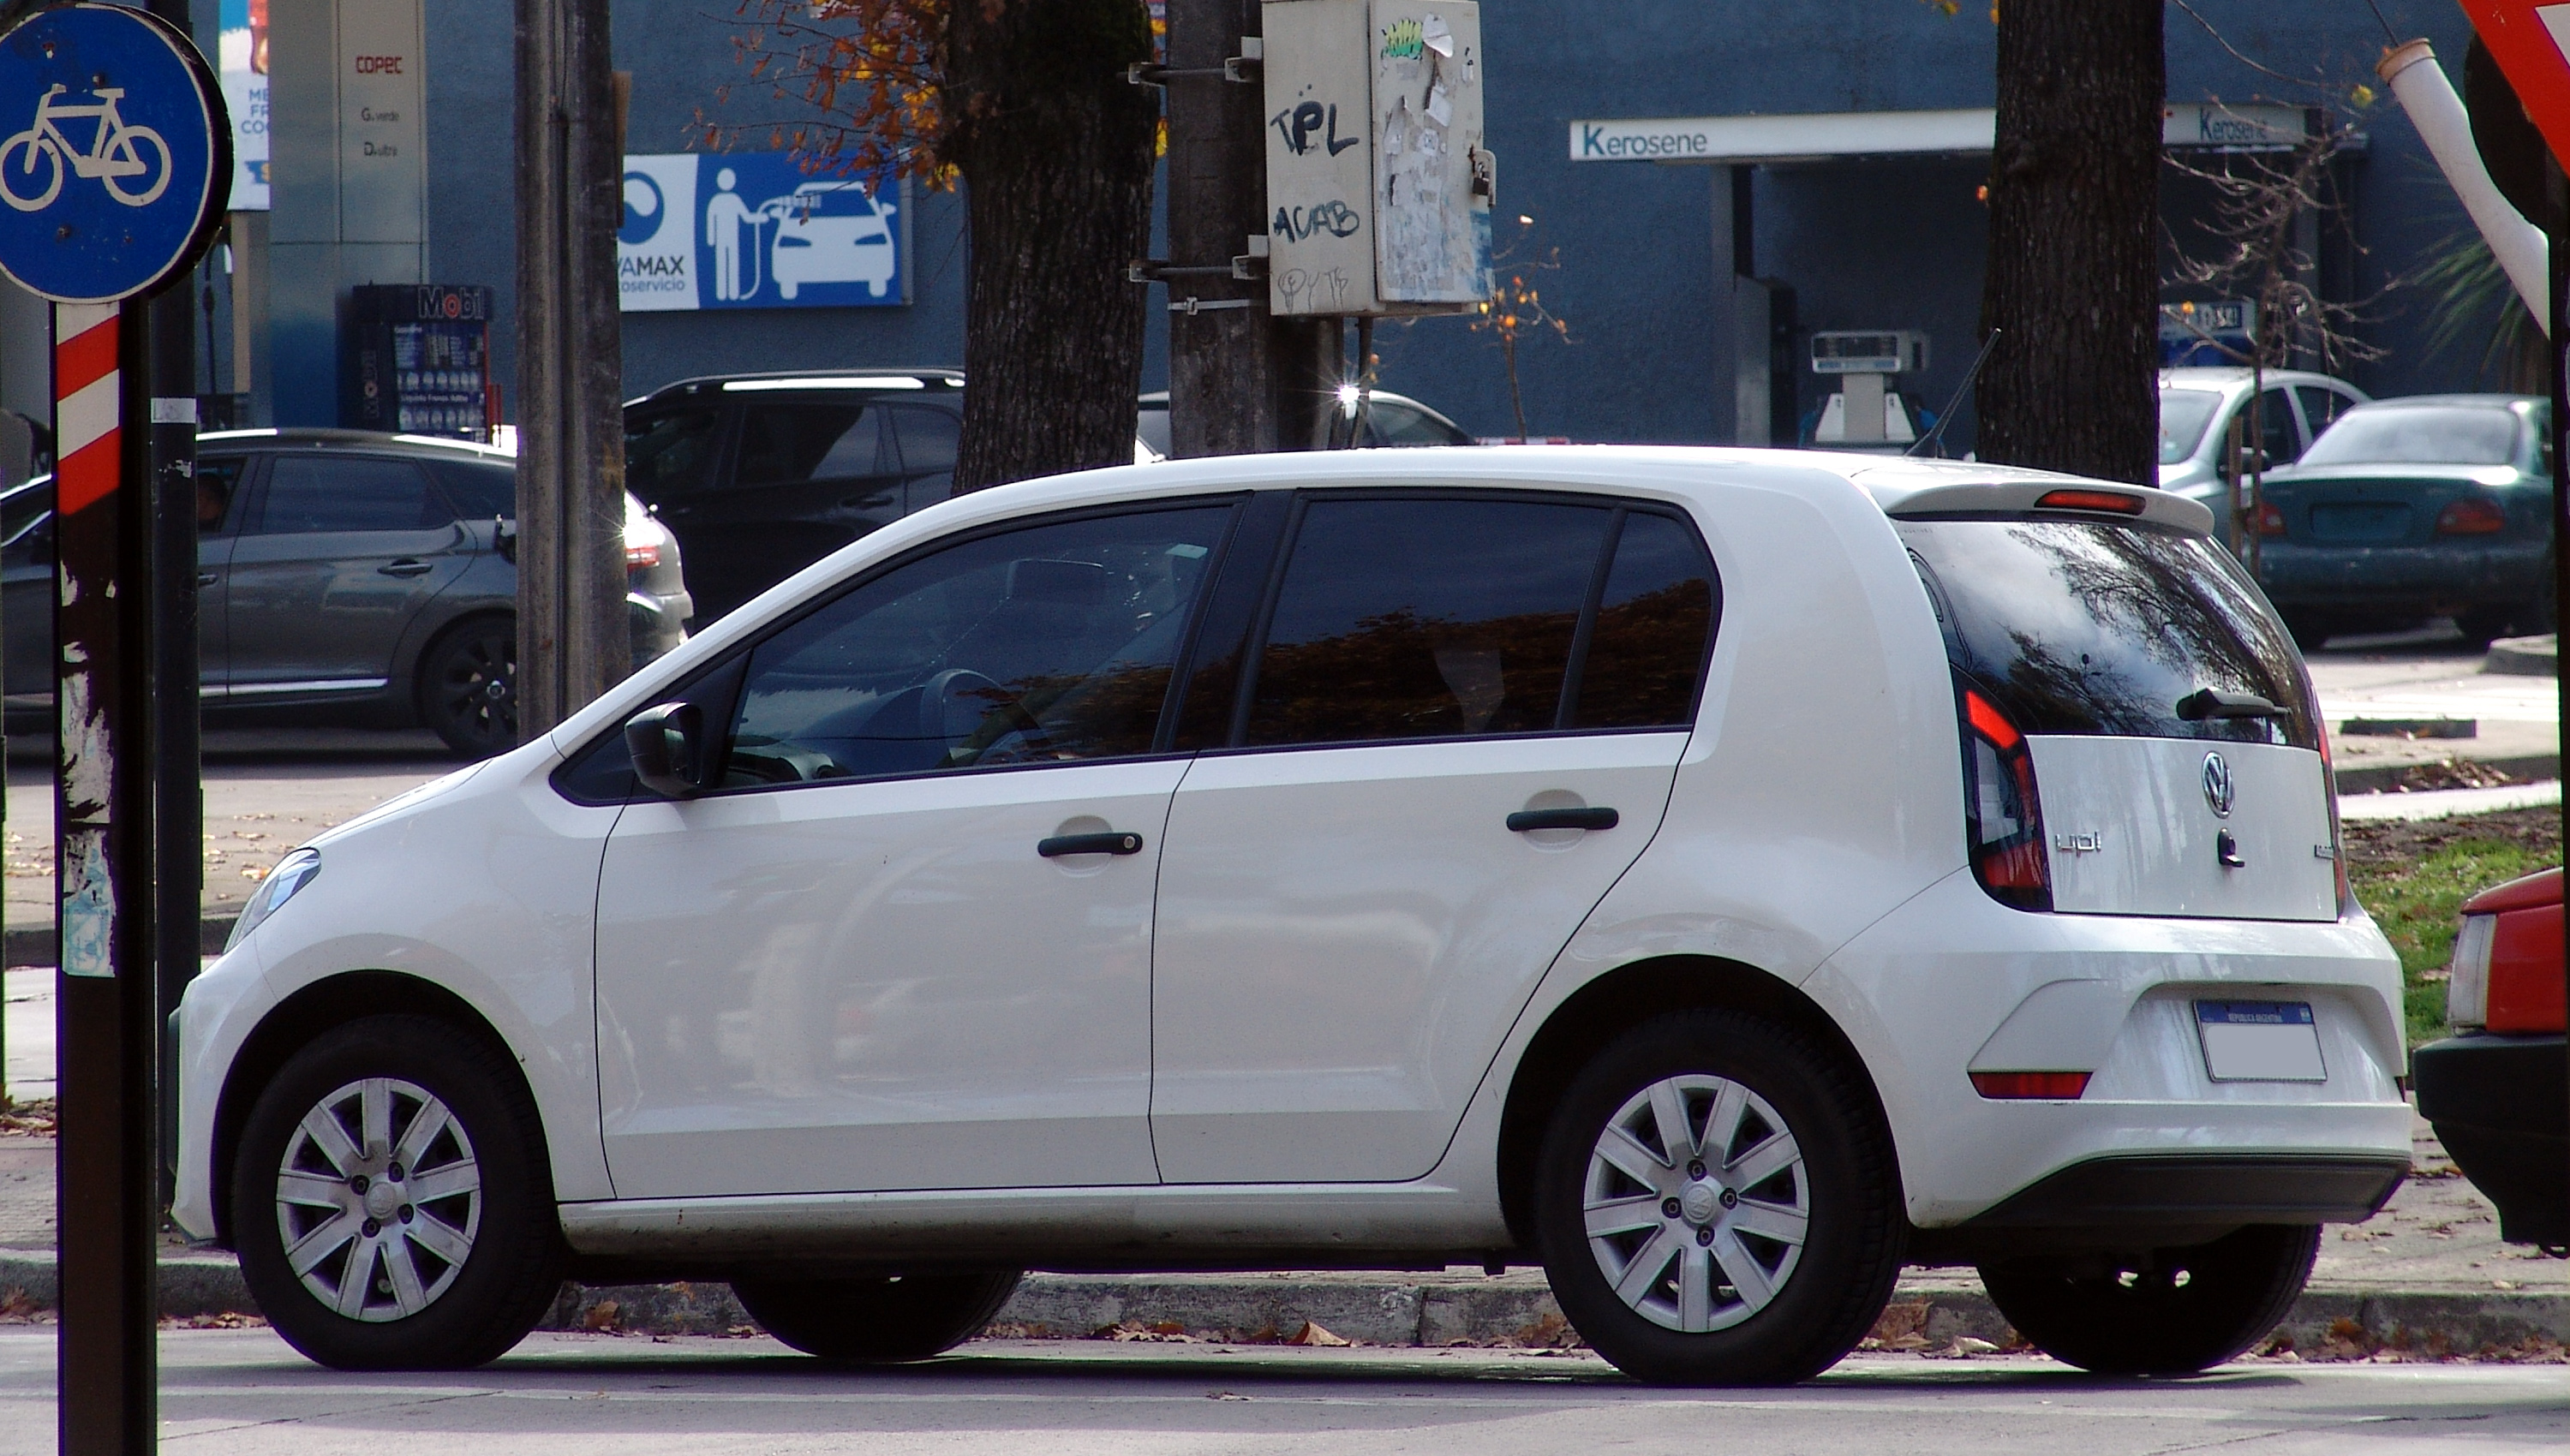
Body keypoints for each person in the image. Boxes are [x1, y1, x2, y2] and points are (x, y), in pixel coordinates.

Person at [706, 168, 758, 301]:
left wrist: (759, 218)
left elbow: (746, 217)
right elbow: (711, 220)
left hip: (732, 239)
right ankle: (721, 293)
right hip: (721, 239)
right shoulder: (716, 201)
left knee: (732, 264)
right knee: (721, 264)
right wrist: (711, 239)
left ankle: (733, 293)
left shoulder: (734, 199)